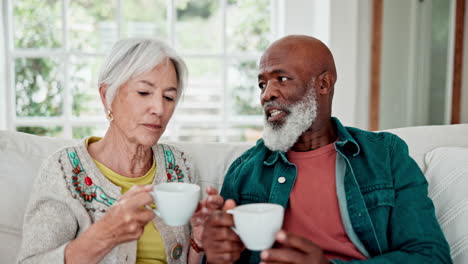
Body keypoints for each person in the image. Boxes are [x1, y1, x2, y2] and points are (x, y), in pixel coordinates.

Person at [201, 35, 452, 264]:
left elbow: (431, 256)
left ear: (323, 84)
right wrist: (213, 256)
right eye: (262, 84)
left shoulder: (385, 155)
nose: (267, 94)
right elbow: (225, 254)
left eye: (282, 79)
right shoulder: (246, 169)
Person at [17, 38, 211, 264]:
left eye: (169, 97)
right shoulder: (64, 171)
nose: (159, 109)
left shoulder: (179, 166)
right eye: (143, 92)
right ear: (106, 95)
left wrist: (199, 240)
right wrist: (105, 234)